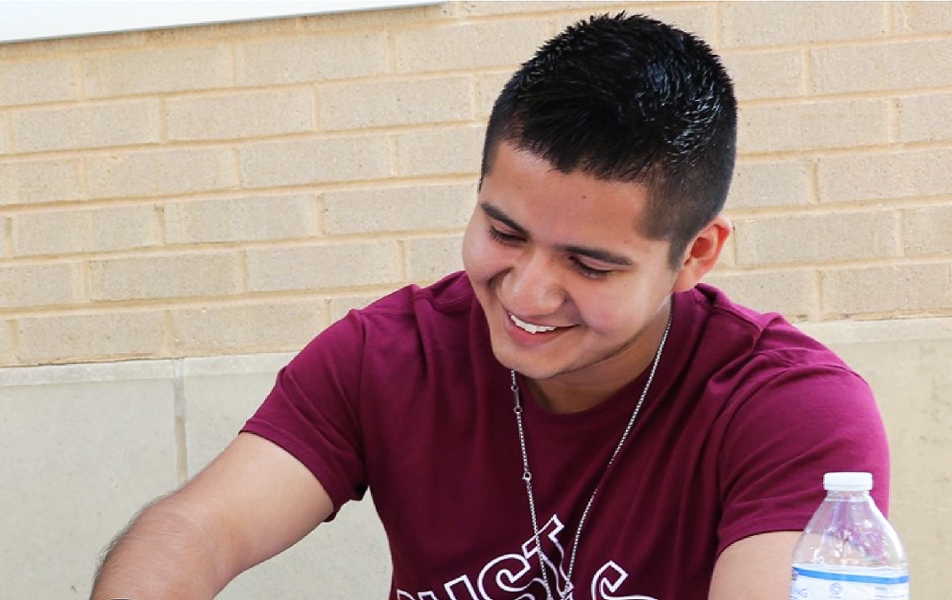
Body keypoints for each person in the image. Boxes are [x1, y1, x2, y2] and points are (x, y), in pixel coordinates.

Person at [91, 14, 889, 600]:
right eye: (503, 232)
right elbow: (192, 530)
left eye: (590, 263)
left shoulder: (792, 410)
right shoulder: (386, 357)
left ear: (696, 256)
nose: (527, 292)